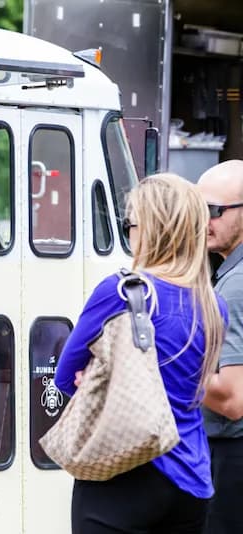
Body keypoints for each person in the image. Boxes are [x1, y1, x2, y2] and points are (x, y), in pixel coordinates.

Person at [54, 173, 227, 534]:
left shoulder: (121, 291)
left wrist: (101, 380)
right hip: (191, 478)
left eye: (129, 224)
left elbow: (65, 376)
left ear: (148, 230)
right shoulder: (214, 305)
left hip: (123, 473)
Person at [197, 159, 243, 534]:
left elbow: (232, 399)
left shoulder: (236, 286)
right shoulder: (228, 275)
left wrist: (164, 368)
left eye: (213, 211)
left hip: (232, 458)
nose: (202, 222)